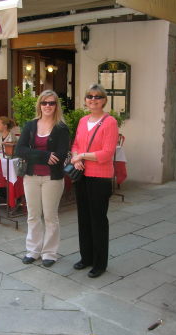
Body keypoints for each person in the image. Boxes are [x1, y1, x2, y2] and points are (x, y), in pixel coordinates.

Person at [15, 90, 70, 267]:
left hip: (52, 178)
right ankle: (33, 251)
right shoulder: (30, 125)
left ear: (56, 106)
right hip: (31, 176)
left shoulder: (61, 128)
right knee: (32, 215)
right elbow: (19, 149)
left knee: (50, 216)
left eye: (52, 103)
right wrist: (44, 155)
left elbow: (61, 155)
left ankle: (50, 253)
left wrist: (39, 155)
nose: (48, 106)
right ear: (39, 104)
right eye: (44, 102)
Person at [70, 84, 119, 278]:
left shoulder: (110, 122)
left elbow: (107, 153)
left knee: (98, 220)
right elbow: (75, 144)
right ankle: (86, 257)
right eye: (89, 96)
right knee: (83, 218)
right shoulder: (83, 121)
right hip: (81, 175)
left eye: (98, 97)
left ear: (104, 100)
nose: (93, 99)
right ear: (85, 100)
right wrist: (76, 157)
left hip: (99, 177)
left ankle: (100, 263)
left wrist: (81, 155)